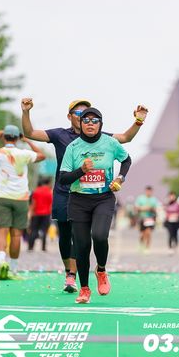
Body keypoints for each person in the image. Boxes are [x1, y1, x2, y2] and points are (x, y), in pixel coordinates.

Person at [22, 97, 147, 293]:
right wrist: (26, 112)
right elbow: (29, 133)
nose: (87, 120)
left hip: (93, 195)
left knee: (84, 236)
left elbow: (125, 138)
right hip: (64, 191)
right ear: (71, 117)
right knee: (65, 234)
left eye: (91, 117)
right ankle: (70, 273)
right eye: (80, 114)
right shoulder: (60, 135)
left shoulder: (100, 136)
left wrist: (138, 121)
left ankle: (79, 275)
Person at [58, 108, 132, 304]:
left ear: (101, 124)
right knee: (81, 246)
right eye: (86, 120)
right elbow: (63, 179)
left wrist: (120, 178)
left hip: (103, 198)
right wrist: (81, 170)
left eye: (95, 120)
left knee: (99, 235)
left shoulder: (110, 143)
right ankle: (84, 289)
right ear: (80, 124)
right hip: (78, 200)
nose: (90, 123)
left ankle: (101, 270)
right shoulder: (73, 147)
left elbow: (126, 160)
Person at [0, 125, 45, 280]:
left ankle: (1, 263)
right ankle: (13, 269)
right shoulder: (24, 153)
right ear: (17, 138)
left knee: (2, 231)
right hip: (21, 198)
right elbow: (41, 155)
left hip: (2, 198)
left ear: (4, 137)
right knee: (16, 235)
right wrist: (27, 140)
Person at [28, 178, 53, 251]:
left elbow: (33, 203)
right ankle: (43, 247)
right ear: (48, 183)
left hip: (36, 213)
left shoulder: (36, 191)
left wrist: (31, 212)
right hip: (46, 214)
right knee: (44, 231)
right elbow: (51, 204)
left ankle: (30, 247)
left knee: (33, 230)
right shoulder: (49, 192)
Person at [135, 186, 160, 252]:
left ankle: (147, 247)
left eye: (150, 191)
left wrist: (151, 209)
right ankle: (141, 245)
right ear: (145, 191)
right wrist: (144, 208)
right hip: (142, 218)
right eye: (147, 191)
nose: (149, 192)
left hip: (150, 218)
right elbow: (136, 208)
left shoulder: (154, 199)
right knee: (142, 234)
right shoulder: (140, 198)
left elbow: (156, 209)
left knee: (148, 233)